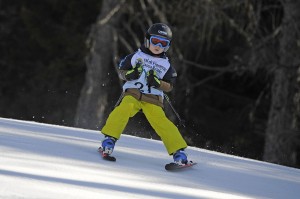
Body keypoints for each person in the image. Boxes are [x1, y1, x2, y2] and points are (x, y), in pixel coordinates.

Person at [99, 23, 189, 165]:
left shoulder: (166, 65)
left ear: (168, 46)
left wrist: (157, 83)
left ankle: (179, 152)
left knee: (161, 121)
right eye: (155, 41)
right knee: (124, 108)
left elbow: (169, 86)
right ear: (148, 40)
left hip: (153, 98)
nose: (158, 46)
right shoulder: (135, 57)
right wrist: (131, 74)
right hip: (133, 93)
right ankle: (109, 139)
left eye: (163, 43)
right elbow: (122, 73)